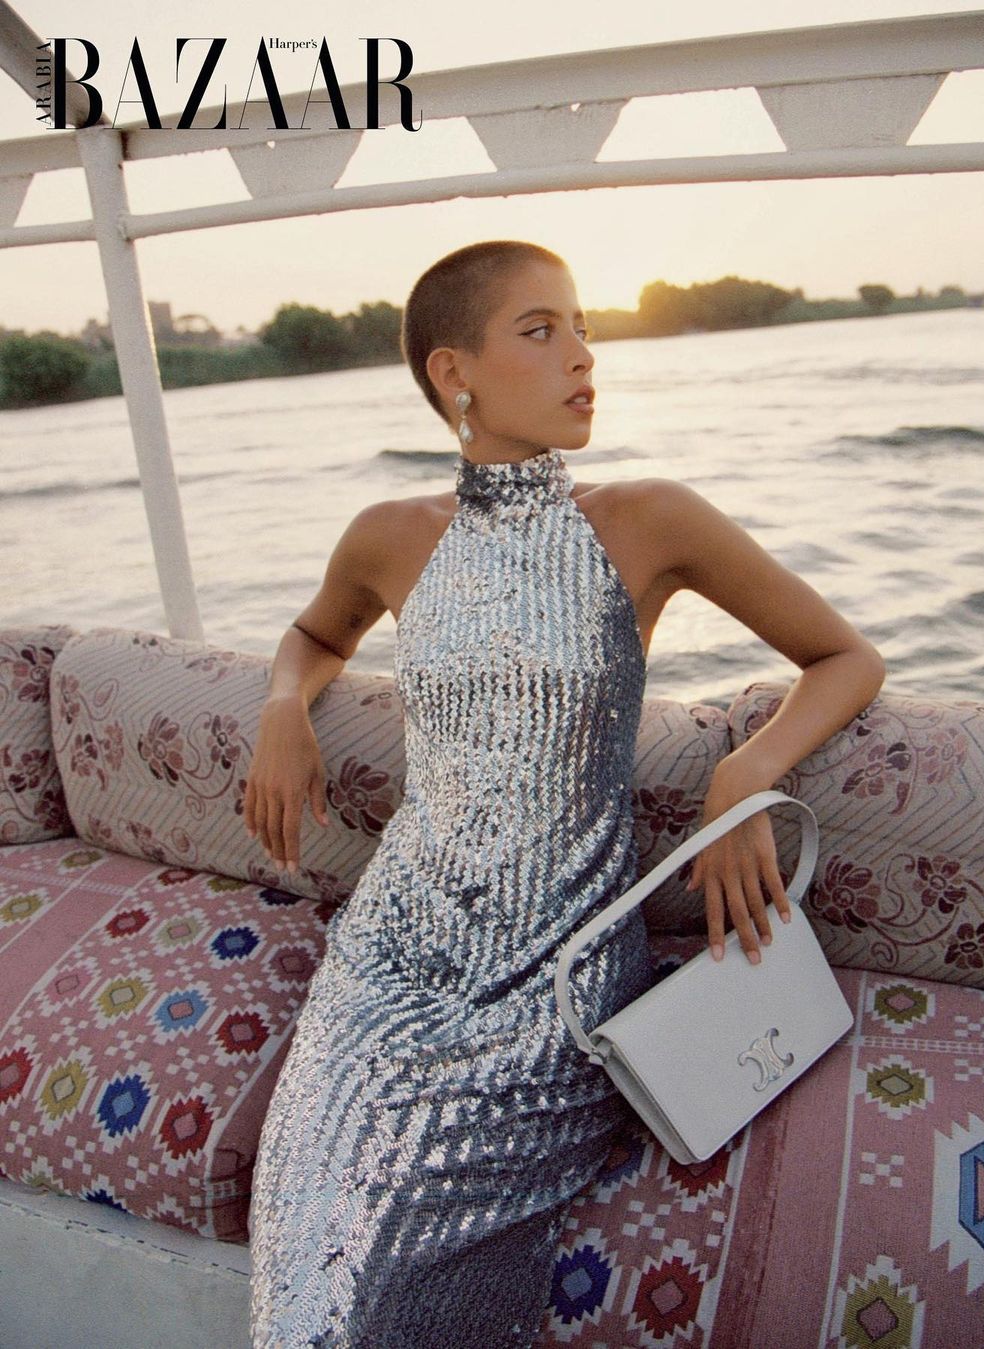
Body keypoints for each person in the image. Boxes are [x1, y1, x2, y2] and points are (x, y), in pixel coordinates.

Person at [244, 239, 885, 1347]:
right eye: (541, 332)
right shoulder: (389, 537)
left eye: (583, 327)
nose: (584, 356)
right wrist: (282, 706)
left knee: (381, 1279)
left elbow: (845, 657)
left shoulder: (648, 518)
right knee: (304, 1246)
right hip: (390, 958)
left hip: (557, 972)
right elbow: (314, 635)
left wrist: (744, 771)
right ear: (455, 373)